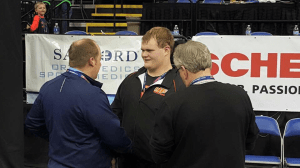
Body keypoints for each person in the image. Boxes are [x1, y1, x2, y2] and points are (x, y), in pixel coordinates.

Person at [150, 40, 259, 168]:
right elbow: (250, 141)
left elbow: (159, 152)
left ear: (184, 71)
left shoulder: (172, 102)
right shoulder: (240, 95)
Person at [25, 38, 132, 168]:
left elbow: (33, 123)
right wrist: (130, 149)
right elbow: (114, 135)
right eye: (100, 59)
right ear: (92, 61)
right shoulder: (92, 94)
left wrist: (59, 141)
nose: (100, 64)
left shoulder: (48, 87)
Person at [111, 27, 185, 168]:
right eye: (143, 50)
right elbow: (115, 116)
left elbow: (185, 130)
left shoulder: (179, 84)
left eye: (149, 50)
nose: (144, 55)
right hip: (126, 162)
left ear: (166, 50)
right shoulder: (131, 80)